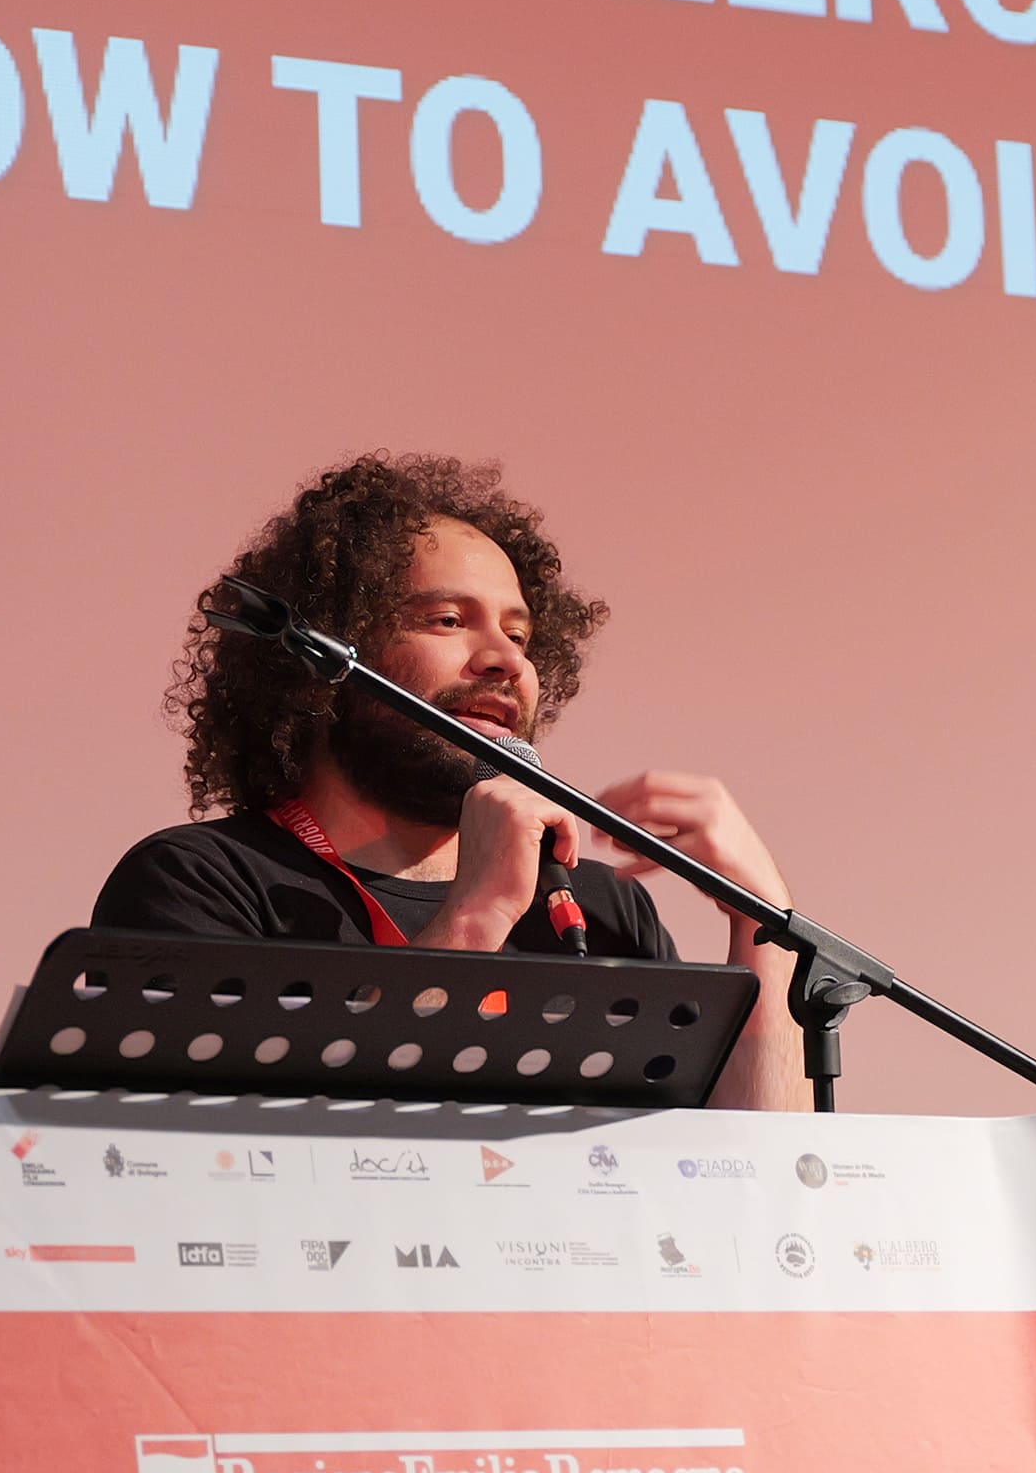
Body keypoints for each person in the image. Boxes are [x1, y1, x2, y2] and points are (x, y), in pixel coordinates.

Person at [94, 453, 809, 1111]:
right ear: (319, 667)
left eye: (520, 636)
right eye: (447, 620)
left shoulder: (600, 909)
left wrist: (762, 924)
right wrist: (476, 915)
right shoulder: (198, 883)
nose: (506, 659)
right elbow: (261, 1159)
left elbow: (762, 1179)